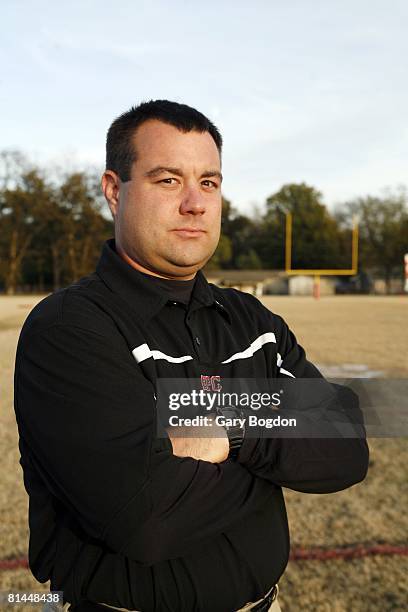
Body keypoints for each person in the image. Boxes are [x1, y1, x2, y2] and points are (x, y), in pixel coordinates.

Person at [14, 100, 369, 612]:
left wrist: (231, 433)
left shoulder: (253, 321)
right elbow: (148, 518)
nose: (195, 204)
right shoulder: (69, 327)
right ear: (115, 191)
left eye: (208, 182)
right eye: (166, 180)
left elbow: (348, 447)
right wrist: (277, 454)